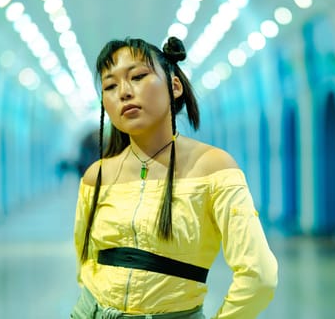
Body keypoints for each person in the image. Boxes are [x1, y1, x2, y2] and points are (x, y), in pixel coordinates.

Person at [71, 36, 278, 318]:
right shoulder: (97, 176)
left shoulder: (214, 167)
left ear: (175, 85)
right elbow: (86, 264)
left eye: (138, 76)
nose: (124, 92)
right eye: (110, 85)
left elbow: (260, 277)